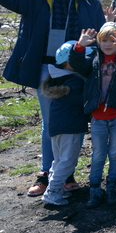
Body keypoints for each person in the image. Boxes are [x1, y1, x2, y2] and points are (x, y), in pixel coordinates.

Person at [0, 0, 105, 197]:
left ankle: (65, 172)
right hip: (45, 70)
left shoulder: (91, 2)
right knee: (51, 124)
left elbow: (99, 37)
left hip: (77, 70)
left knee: (74, 122)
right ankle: (47, 173)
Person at [68, 23, 116, 207]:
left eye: (113, 41)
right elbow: (77, 64)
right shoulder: (93, 59)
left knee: (115, 153)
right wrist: (79, 46)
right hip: (98, 117)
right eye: (104, 40)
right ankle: (94, 190)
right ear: (98, 42)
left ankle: (112, 187)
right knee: (98, 154)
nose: (108, 44)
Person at [40, 42, 88, 206]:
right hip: (71, 127)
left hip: (57, 128)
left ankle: (55, 188)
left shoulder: (56, 79)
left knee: (58, 160)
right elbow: (84, 102)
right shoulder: (75, 83)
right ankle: (53, 191)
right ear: (70, 62)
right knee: (68, 161)